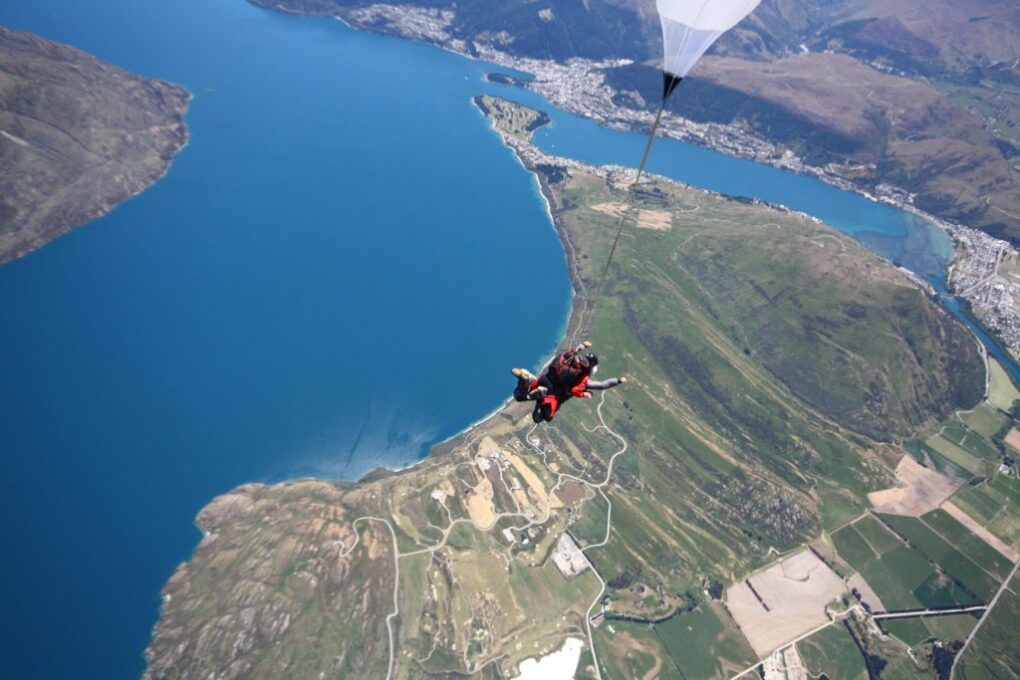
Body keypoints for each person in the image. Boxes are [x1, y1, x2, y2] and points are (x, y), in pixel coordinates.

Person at [512, 342, 627, 423]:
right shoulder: (583, 376)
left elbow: (576, 349)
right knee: (543, 417)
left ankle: (527, 381)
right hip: (552, 394)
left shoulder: (571, 356)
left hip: (543, 380)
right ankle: (541, 396)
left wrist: (583, 345)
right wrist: (618, 381)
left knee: (519, 396)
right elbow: (601, 385)